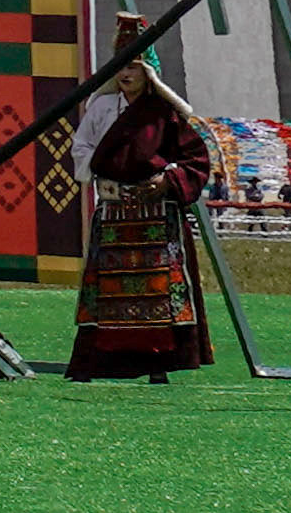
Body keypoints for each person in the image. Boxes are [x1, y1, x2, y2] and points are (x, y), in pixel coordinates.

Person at [69, 27, 217, 383]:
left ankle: (158, 366)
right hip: (115, 210)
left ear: (147, 71)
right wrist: (99, 178)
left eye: (134, 66)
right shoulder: (102, 107)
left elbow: (195, 159)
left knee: (158, 290)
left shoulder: (163, 112)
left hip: (156, 212)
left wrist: (167, 179)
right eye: (120, 66)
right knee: (107, 289)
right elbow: (81, 147)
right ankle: (100, 363)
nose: (125, 74)